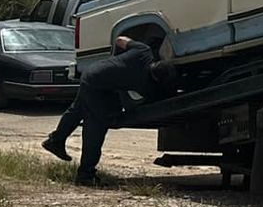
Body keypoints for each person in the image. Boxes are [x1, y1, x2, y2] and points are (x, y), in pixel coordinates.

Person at [41, 35, 171, 187]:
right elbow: (133, 105)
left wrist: (116, 60)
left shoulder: (144, 51)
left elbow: (119, 39)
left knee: (78, 110)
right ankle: (86, 174)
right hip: (98, 86)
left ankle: (55, 140)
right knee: (95, 127)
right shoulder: (145, 85)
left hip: (94, 72)